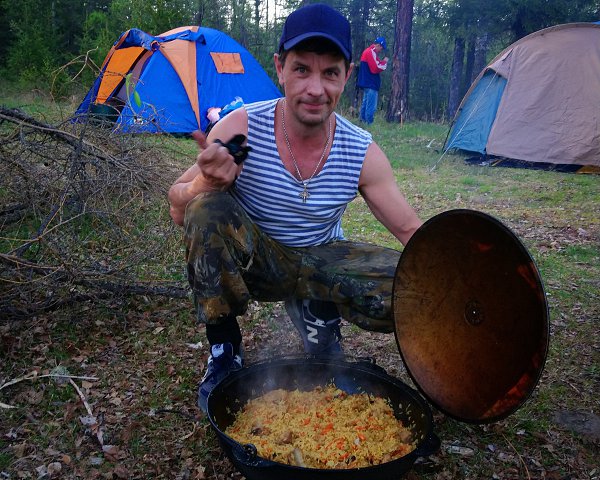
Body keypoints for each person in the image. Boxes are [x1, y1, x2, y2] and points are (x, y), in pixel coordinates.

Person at [167, 3, 422, 413]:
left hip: (321, 263)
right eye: (302, 69)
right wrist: (203, 183)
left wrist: (458, 280)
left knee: (418, 286)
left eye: (330, 73)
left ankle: (319, 321)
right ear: (280, 68)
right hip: (259, 264)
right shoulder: (243, 128)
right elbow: (178, 208)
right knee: (205, 209)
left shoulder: (361, 151)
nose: (315, 89)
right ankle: (225, 348)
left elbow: (411, 230)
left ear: (348, 75)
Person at [357, 36, 389, 124]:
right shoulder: (370, 52)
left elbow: (376, 63)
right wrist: (385, 62)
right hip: (371, 83)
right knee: (371, 106)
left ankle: (361, 122)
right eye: (381, 48)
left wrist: (381, 62)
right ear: (378, 45)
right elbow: (376, 67)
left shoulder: (370, 52)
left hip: (367, 83)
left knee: (365, 103)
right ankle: (369, 124)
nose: (381, 50)